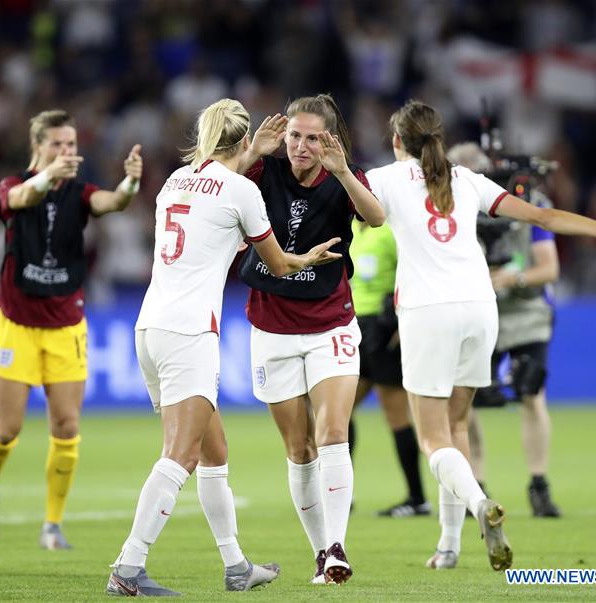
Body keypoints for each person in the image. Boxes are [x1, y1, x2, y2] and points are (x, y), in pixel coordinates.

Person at [364, 100, 596, 572]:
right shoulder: (467, 180)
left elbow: (351, 206)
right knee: (457, 427)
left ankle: (480, 504)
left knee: (432, 439)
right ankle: (449, 547)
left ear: (397, 141)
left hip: (428, 311)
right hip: (481, 308)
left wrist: (338, 169)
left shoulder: (385, 178)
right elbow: (543, 217)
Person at [107, 98, 342, 596]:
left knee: (214, 451)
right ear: (244, 140)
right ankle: (128, 566)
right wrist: (310, 257)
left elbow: (212, 230)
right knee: (180, 455)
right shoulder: (242, 190)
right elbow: (278, 264)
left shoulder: (175, 181)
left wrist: (249, 154)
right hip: (190, 333)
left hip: (150, 327)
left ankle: (236, 566)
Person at [236, 93, 386, 585]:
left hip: (330, 325)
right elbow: (216, 189)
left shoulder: (346, 176)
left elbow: (376, 217)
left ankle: (338, 548)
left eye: (312, 138)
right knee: (299, 448)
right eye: (294, 136)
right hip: (272, 327)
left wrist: (342, 172)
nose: (300, 146)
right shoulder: (263, 170)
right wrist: (252, 152)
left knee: (332, 433)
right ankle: (321, 551)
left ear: (329, 140)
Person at [0, 109, 142, 550]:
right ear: (38, 146)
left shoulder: (79, 192)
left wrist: (130, 184)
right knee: (6, 431)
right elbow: (21, 199)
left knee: (67, 427)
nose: (67, 152)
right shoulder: (11, 185)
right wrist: (48, 176)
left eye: (72, 144)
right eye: (58, 144)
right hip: (17, 323)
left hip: (66, 324)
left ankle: (52, 524)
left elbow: (111, 202)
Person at [447, 142, 562, 518]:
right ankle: (475, 483)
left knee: (531, 392)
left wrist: (514, 278)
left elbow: (549, 268)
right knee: (465, 398)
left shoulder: (530, 203)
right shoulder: (444, 206)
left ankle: (539, 483)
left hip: (526, 312)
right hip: (477, 310)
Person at [348, 219, 430, 518]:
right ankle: (341, 492)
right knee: (339, 411)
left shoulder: (391, 230)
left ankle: (417, 498)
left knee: (395, 415)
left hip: (383, 327)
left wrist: (402, 320)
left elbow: (415, 273)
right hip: (352, 325)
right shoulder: (350, 228)